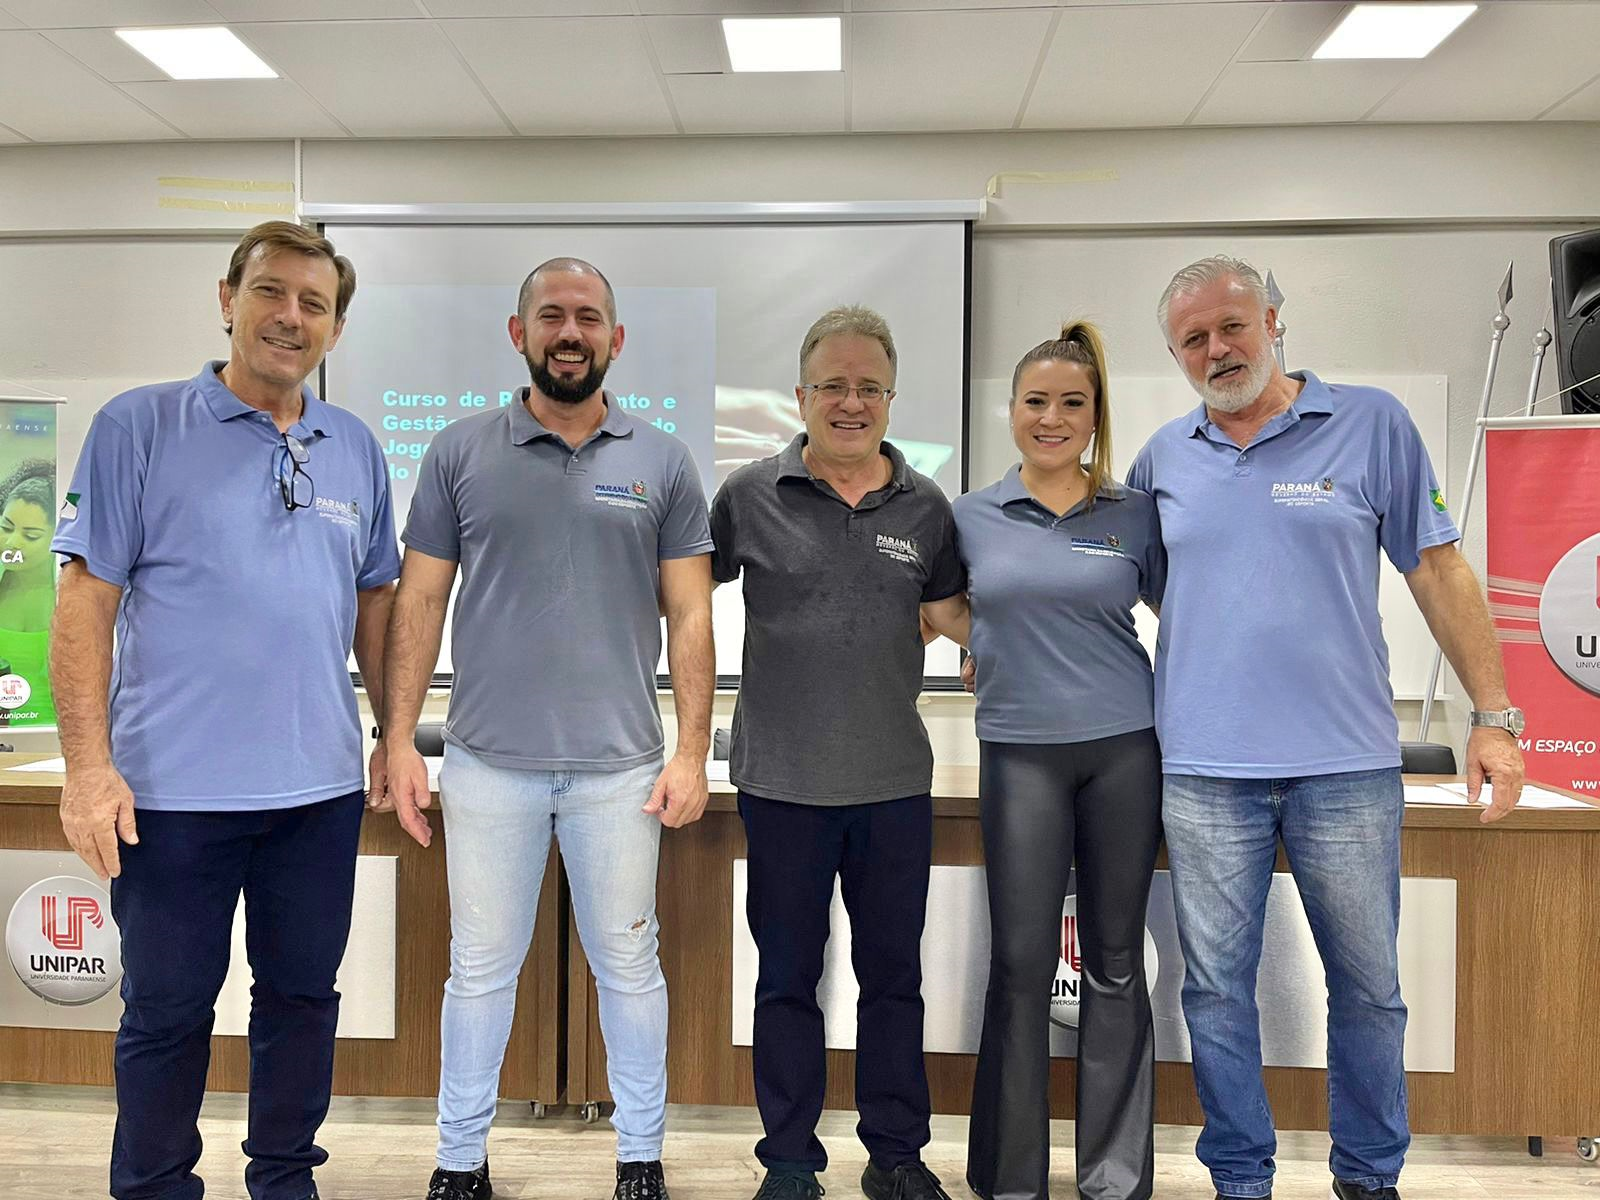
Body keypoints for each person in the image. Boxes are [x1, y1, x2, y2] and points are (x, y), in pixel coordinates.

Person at [1126, 255, 1526, 1200]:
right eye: (1193, 339)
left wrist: (1494, 718)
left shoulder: (1373, 424)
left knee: (1369, 990)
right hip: (1204, 771)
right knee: (1215, 995)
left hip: (1345, 769)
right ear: (1176, 355)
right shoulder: (1160, 459)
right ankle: (1240, 1179)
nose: (1217, 349)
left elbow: (1440, 572)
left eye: (1232, 326)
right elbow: (1132, 590)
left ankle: (1369, 1178)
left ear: (1274, 321)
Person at [50, 220, 399, 1200]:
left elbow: (376, 607)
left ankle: (285, 1182)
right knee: (166, 1014)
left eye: (314, 303)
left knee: (302, 1002)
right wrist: (87, 770)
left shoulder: (353, 446)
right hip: (171, 798)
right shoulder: (138, 426)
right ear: (226, 299)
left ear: (335, 329)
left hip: (317, 794)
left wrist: (391, 736)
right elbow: (84, 603)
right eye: (270, 292)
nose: (291, 316)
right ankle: (155, 1187)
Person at [378, 257, 715, 1200]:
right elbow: (420, 601)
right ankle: (459, 1163)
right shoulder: (457, 452)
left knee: (630, 967)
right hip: (488, 765)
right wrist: (397, 738)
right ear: (519, 333)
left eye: (589, 317)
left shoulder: (664, 461)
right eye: (553, 316)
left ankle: (640, 1157)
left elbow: (691, 613)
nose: (571, 332)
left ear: (616, 339)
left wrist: (693, 750)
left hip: (621, 771)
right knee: (479, 972)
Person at [710, 305, 966, 1200]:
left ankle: (895, 1157)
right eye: (833, 386)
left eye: (868, 388)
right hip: (781, 785)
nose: (850, 402)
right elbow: (680, 591)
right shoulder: (748, 495)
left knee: (893, 981)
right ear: (801, 395)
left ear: (890, 399)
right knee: (787, 981)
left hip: (892, 786)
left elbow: (951, 616)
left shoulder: (928, 508)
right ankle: (789, 1162)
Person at [925, 321, 1164, 1200]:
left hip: (1124, 752)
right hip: (1020, 754)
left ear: (1095, 415)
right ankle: (1009, 1179)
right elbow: (941, 609)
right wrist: (989, 642)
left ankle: (1115, 1179)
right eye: (1036, 401)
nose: (1052, 418)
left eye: (1072, 403)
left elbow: (1188, 615)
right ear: (1012, 410)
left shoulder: (1134, 512)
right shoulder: (970, 515)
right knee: (1021, 965)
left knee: (1115, 963)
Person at [0, 457, 58, 725]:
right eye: (6, 527)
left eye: (31, 535)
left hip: (57, 739)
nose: (12, 542)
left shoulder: (73, 593)